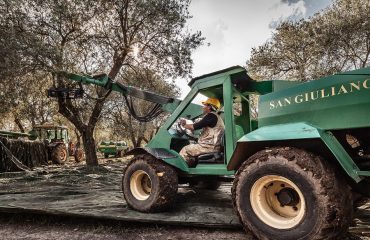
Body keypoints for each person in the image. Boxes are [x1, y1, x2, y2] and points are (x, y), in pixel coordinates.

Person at [179, 98, 224, 167]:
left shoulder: (211, 116)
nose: (203, 107)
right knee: (192, 148)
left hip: (208, 147)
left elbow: (193, 127)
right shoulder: (217, 117)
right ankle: (191, 166)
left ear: (209, 107)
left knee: (185, 149)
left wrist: (184, 124)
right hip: (214, 146)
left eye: (204, 105)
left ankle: (180, 170)